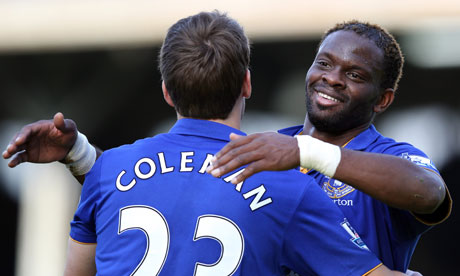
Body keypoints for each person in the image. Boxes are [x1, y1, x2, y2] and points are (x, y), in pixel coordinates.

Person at [4, 11, 408, 275]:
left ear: (166, 91)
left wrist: (81, 158)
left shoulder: (107, 172)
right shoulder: (290, 186)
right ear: (247, 84)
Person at [206, 21, 452, 273]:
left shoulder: (388, 155)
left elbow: (429, 192)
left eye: (354, 75)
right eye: (324, 64)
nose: (332, 78)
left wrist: (309, 152)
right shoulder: (268, 149)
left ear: (382, 99)